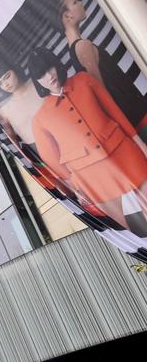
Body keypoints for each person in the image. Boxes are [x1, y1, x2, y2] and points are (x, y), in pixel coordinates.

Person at [27, 46, 147, 234]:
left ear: (56, 65)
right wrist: (76, 186)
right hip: (90, 175)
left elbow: (114, 112)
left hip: (123, 151)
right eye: (42, 74)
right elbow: (51, 160)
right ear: (37, 81)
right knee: (133, 231)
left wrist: (140, 144)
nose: (49, 76)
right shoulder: (40, 119)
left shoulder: (84, 80)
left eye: (50, 68)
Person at [58, 0, 147, 136]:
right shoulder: (82, 47)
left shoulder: (76, 50)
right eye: (75, 2)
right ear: (68, 16)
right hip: (137, 119)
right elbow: (104, 96)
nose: (81, 2)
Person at [0, 62, 46, 149]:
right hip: (37, 150)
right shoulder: (3, 112)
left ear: (15, 70)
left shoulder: (39, 85)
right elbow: (14, 144)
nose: (6, 84)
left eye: (7, 77)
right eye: (0, 83)